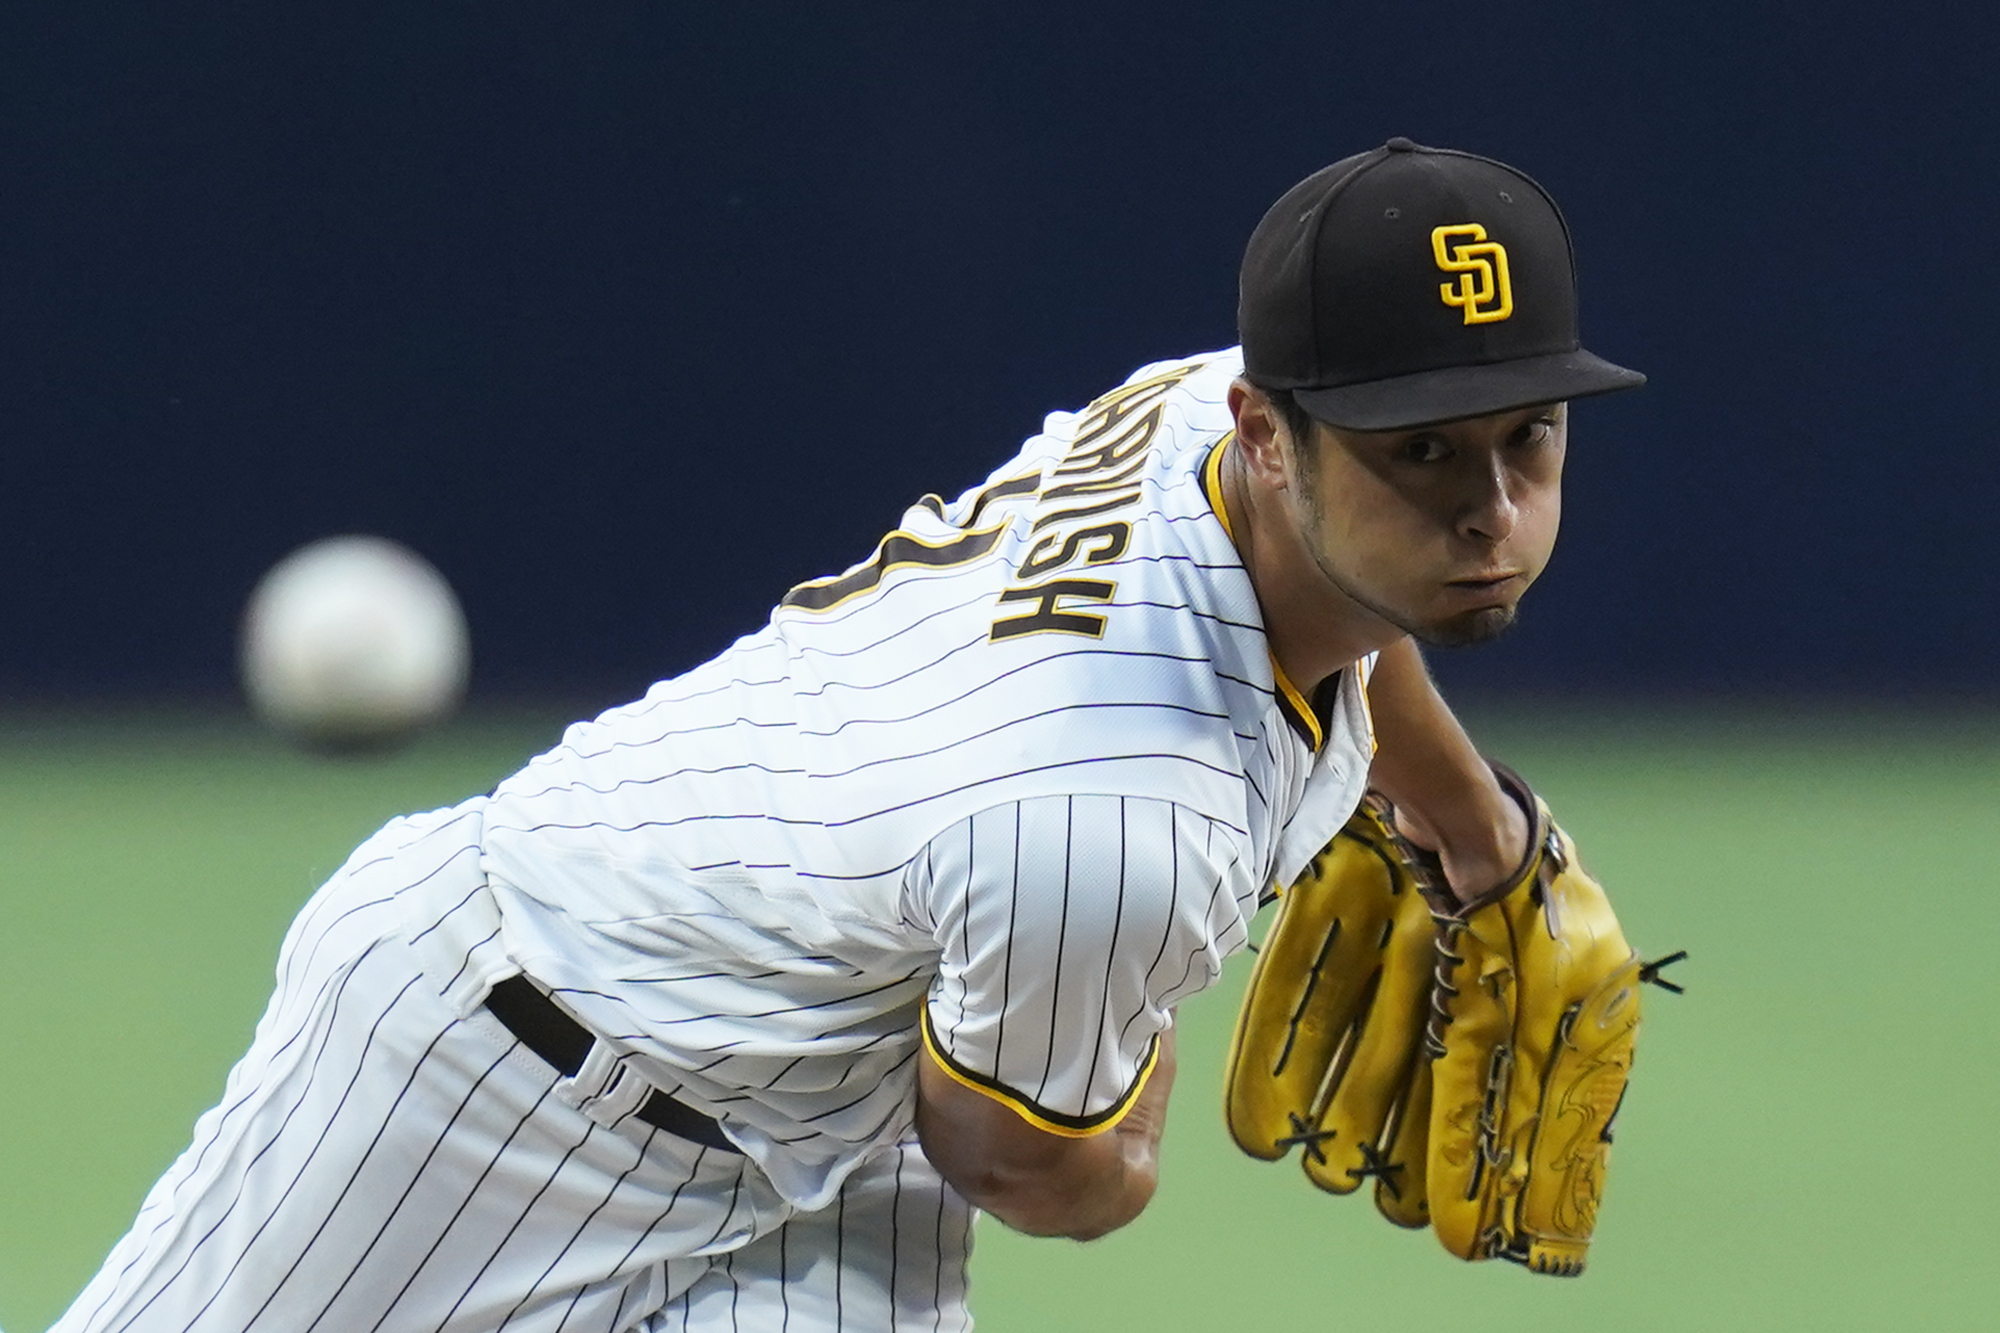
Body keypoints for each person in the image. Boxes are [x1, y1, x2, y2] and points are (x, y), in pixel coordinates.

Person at [56, 137, 1644, 1332]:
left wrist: (1471, 829)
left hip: (813, 1128)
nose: (1487, 510)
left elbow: (1362, 625)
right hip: (481, 1071)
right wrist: (1137, 1052)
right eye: (1422, 449)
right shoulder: (1113, 818)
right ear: (1271, 433)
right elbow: (1030, 1165)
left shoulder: (1201, 412)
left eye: (1527, 437)